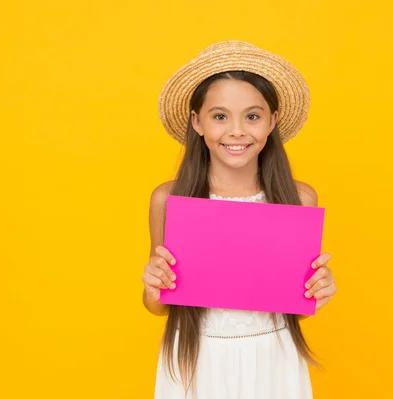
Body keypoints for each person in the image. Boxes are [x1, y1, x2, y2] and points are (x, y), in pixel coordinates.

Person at [142, 40, 337, 399]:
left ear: (272, 121)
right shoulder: (168, 199)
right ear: (197, 122)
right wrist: (153, 284)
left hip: (272, 358)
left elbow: (293, 304)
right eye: (219, 116)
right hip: (196, 360)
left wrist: (317, 290)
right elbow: (159, 304)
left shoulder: (300, 199)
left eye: (252, 116)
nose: (237, 131)